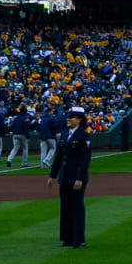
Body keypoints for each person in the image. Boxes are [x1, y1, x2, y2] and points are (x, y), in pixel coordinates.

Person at [46, 106, 92, 249]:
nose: (68, 119)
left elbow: (84, 160)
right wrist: (52, 175)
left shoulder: (83, 135)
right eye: (68, 117)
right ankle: (67, 239)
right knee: (65, 208)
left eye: (71, 117)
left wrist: (79, 178)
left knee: (77, 208)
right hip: (64, 176)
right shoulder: (65, 134)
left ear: (79, 120)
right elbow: (59, 157)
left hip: (76, 177)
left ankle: (79, 240)